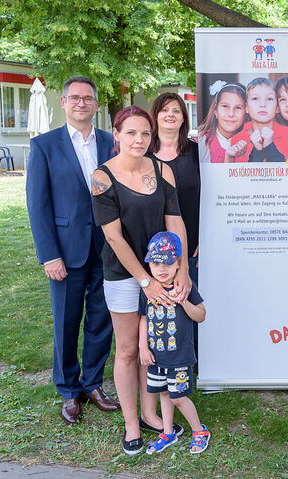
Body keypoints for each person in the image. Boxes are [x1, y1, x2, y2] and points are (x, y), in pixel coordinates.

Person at [91, 106, 192, 455]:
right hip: (124, 275)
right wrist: (145, 281)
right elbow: (114, 237)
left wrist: (182, 269)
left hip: (162, 271)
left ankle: (151, 415)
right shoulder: (102, 177)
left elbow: (175, 221)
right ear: (116, 134)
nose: (139, 139)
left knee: (157, 348)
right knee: (129, 349)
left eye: (145, 134)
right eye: (131, 132)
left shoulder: (163, 170)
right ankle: (131, 423)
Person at [26, 75, 120, 425]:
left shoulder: (112, 142)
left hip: (108, 249)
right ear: (63, 102)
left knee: (101, 320)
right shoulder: (44, 146)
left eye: (88, 98)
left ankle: (92, 384)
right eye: (75, 98)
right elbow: (38, 205)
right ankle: (68, 390)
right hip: (65, 252)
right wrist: (49, 255)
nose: (81, 103)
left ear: (96, 104)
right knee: (67, 321)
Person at [138, 231, 210, 455]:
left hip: (179, 356)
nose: (162, 269)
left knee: (178, 397)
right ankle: (168, 432)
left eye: (168, 263)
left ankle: (199, 430)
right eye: (156, 263)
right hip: (156, 356)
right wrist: (142, 346)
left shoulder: (185, 287)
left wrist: (184, 302)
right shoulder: (148, 290)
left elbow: (201, 315)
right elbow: (143, 318)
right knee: (163, 394)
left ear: (178, 264)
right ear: (149, 265)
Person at [147, 93, 200, 285]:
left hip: (193, 248)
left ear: (184, 117)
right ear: (155, 116)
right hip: (153, 251)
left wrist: (206, 239)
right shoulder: (143, 156)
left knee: (191, 309)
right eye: (165, 110)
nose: (171, 115)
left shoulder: (197, 153)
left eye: (176, 111)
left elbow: (210, 198)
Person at [227, 78, 288, 163]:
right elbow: (241, 175)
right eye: (255, 98)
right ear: (246, 107)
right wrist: (258, 152)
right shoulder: (238, 139)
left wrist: (269, 147)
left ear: (277, 108)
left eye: (269, 99)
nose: (262, 105)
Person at [199, 82, 247, 163]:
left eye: (238, 107)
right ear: (215, 111)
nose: (231, 114)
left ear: (246, 111)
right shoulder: (201, 142)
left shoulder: (252, 142)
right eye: (225, 106)